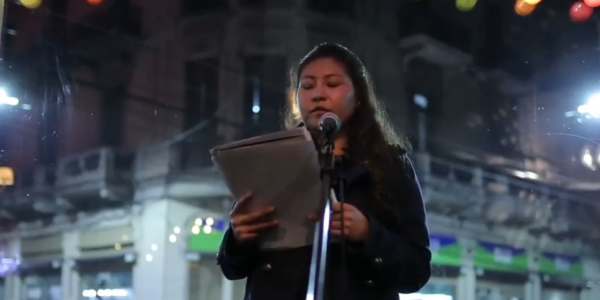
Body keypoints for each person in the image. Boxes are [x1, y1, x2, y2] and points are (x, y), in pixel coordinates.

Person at [217, 43, 431, 300]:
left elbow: (416, 272)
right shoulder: (270, 159)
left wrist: (367, 233)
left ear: (359, 95)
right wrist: (238, 237)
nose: (318, 94)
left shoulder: (391, 165)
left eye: (332, 84)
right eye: (307, 86)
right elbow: (232, 269)